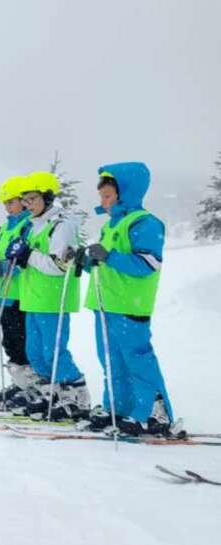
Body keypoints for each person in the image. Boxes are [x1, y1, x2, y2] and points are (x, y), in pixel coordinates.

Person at [84, 162, 177, 437]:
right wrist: (87, 261)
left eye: (108, 196)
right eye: (101, 196)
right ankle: (118, 407)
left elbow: (147, 264)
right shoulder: (111, 226)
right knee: (111, 361)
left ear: (126, 193)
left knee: (137, 360)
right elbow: (105, 265)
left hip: (129, 304)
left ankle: (152, 412)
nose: (103, 201)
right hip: (105, 303)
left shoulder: (144, 222)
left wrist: (108, 256)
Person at [6, 170, 89, 420]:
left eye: (32, 199)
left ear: (48, 198)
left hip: (53, 299)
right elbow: (29, 260)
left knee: (54, 352)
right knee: (35, 352)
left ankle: (75, 395)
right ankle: (50, 393)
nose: (28, 204)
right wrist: (19, 258)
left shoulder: (60, 225)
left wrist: (28, 255)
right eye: (25, 200)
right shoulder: (33, 226)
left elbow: (58, 266)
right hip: (33, 298)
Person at [0, 177, 37, 407]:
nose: (8, 207)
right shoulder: (4, 228)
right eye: (5, 203)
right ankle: (19, 382)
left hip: (19, 292)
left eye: (11, 202)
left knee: (21, 341)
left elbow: (22, 259)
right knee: (9, 341)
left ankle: (31, 385)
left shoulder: (28, 225)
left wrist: (4, 266)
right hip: (2, 291)